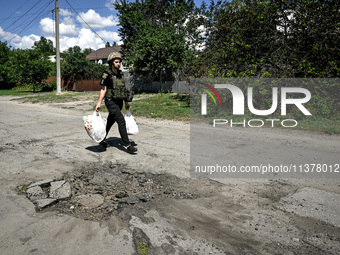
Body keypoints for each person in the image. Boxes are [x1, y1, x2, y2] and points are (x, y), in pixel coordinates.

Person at [95, 52, 137, 154]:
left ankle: (101, 139)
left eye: (119, 62)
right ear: (111, 62)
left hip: (119, 101)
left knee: (110, 121)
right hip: (110, 101)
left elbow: (122, 89)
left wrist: (126, 102)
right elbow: (103, 89)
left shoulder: (120, 74)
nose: (118, 64)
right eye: (116, 62)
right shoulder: (107, 74)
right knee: (121, 121)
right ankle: (127, 145)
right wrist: (99, 103)